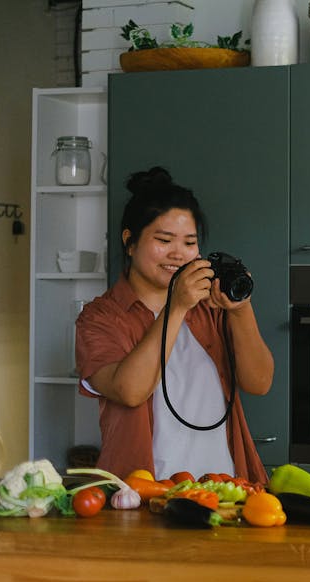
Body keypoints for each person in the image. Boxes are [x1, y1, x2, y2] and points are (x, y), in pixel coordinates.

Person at [75, 166, 273, 484]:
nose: (178, 254)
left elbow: (259, 382)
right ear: (130, 241)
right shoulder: (100, 318)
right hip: (143, 492)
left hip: (225, 488)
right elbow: (129, 391)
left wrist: (240, 310)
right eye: (164, 240)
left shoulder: (212, 306)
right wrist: (177, 305)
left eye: (190, 242)